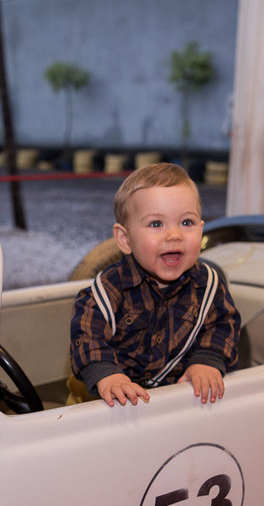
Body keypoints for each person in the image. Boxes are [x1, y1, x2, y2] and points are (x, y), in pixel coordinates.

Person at [70, 163, 241, 407]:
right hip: (101, 400)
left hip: (169, 399)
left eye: (186, 222)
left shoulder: (209, 285)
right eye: (156, 224)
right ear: (125, 239)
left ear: (201, 230)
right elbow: (87, 334)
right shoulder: (109, 290)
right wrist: (107, 375)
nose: (174, 235)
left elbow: (224, 324)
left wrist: (206, 360)